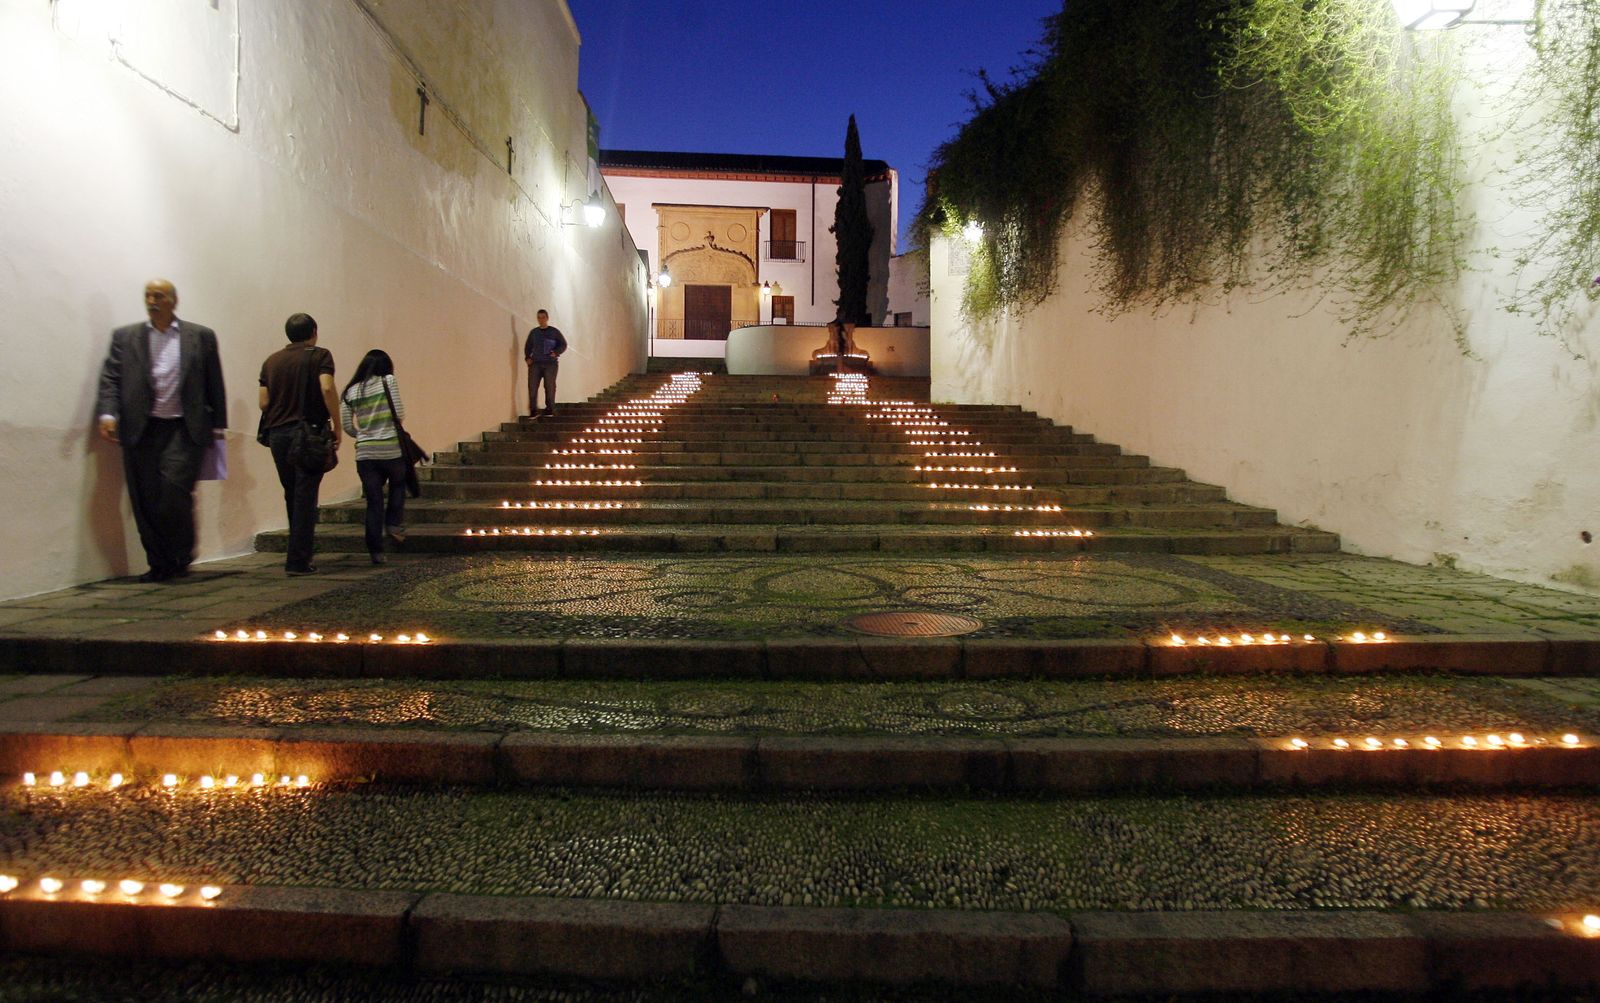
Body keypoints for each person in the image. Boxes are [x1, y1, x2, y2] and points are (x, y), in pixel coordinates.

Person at [95, 279, 228, 583]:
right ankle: (159, 563)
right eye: (147, 295)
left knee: (173, 493)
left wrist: (218, 427)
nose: (152, 300)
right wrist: (107, 413)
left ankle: (180, 555)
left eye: (159, 295)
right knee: (145, 498)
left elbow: (213, 382)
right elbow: (111, 378)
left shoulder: (200, 336)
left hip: (184, 428)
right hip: (142, 429)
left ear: (173, 301)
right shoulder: (125, 337)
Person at [259, 313, 339, 576]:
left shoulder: (271, 361)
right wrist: (337, 425)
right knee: (305, 497)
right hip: (307, 432)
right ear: (313, 331)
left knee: (291, 493)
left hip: (278, 434)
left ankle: (298, 554)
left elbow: (263, 403)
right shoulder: (320, 355)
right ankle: (298, 561)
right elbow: (327, 388)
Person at [340, 350, 409, 565]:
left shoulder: (351, 391)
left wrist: (362, 435)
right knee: (398, 485)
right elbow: (398, 414)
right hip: (390, 448)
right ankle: (394, 523)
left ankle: (376, 551)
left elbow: (346, 424)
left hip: (366, 453)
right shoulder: (388, 381)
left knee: (374, 501)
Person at [523, 309, 567, 418]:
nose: (541, 320)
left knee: (549, 386)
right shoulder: (534, 333)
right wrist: (528, 357)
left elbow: (563, 344)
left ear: (547, 318)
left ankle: (550, 409)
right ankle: (533, 410)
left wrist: (556, 352)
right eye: (539, 317)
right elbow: (528, 346)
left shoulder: (554, 332)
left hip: (550, 364)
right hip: (536, 363)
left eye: (543, 317)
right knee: (532, 386)